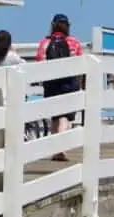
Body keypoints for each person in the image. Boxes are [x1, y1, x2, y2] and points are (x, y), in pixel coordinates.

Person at [34, 13, 84, 160]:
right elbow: (80, 63)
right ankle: (60, 148)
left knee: (55, 116)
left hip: (51, 83)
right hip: (69, 83)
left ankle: (56, 148)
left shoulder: (45, 42)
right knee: (65, 117)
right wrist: (79, 83)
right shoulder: (74, 42)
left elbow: (39, 61)